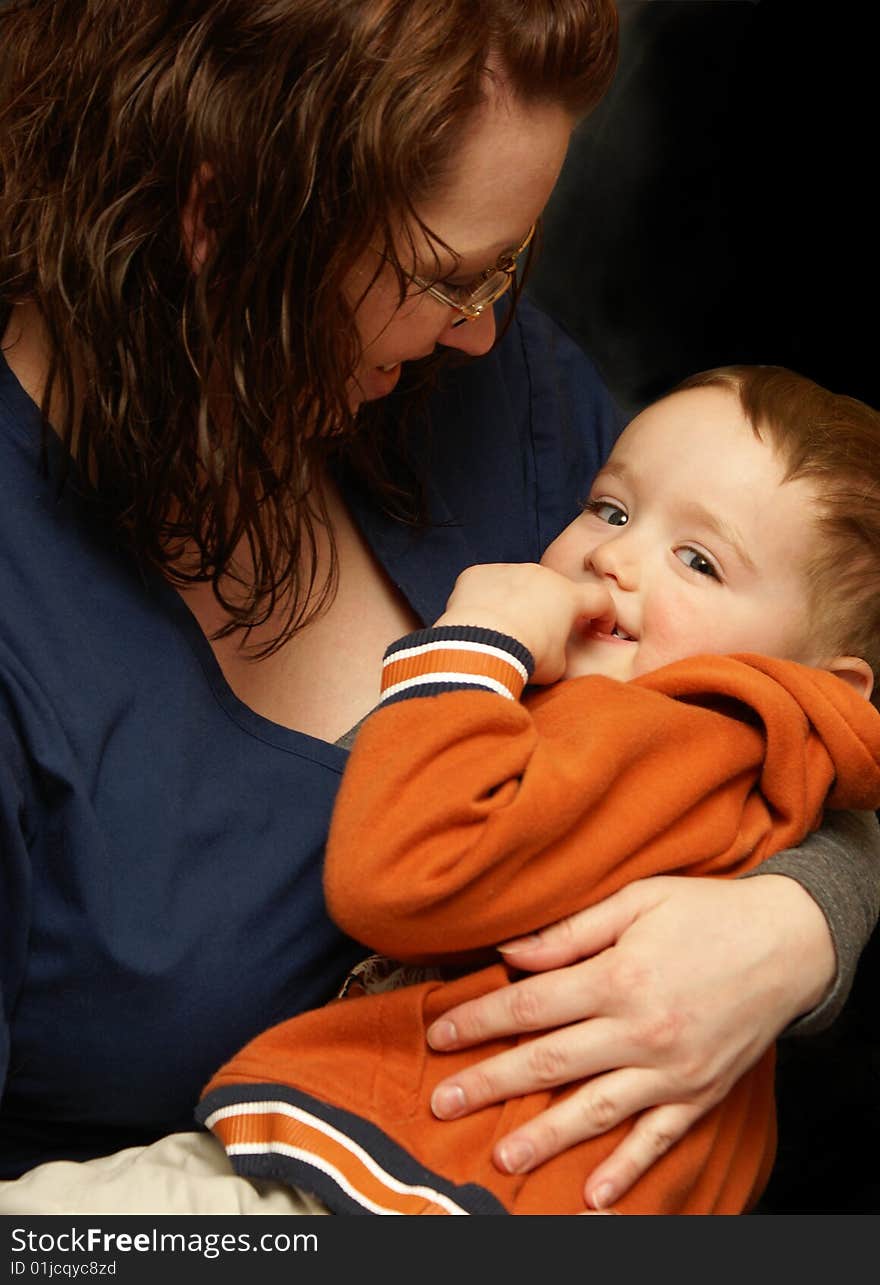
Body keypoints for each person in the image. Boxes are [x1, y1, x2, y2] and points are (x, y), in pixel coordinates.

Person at [0, 0, 877, 1216]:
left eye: (507, 271)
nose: (480, 333)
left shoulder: (496, 405)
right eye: (444, 278)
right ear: (219, 217)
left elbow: (782, 695)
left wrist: (802, 926)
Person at [198, 365, 880, 1214]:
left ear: (823, 688)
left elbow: (404, 871)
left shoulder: (673, 727)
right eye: (612, 509)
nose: (613, 555)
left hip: (399, 1186)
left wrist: (474, 645)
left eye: (698, 561)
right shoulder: (740, 776)